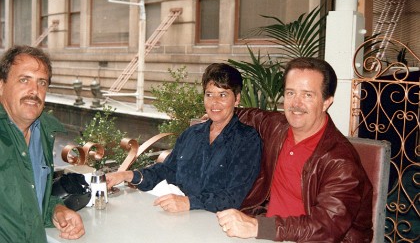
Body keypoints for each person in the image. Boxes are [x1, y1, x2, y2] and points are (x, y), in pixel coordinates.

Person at [216, 57, 373, 242]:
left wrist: (258, 227)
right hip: (267, 234)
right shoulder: (278, 127)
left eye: (307, 95)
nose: (296, 103)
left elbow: (326, 227)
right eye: (290, 93)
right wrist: (220, 116)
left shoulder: (341, 162)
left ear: (326, 102)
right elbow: (253, 116)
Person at [106, 63, 262, 213]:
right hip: (179, 216)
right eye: (209, 95)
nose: (214, 102)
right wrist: (126, 175)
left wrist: (188, 202)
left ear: (237, 99)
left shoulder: (246, 139)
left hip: (215, 223)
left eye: (223, 95)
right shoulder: (191, 134)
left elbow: (233, 196)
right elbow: (166, 170)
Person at [0, 45, 85, 242]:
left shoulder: (43, 132)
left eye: (42, 83)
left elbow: (27, 199)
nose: (34, 91)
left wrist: (56, 210)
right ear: (2, 85)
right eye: (24, 80)